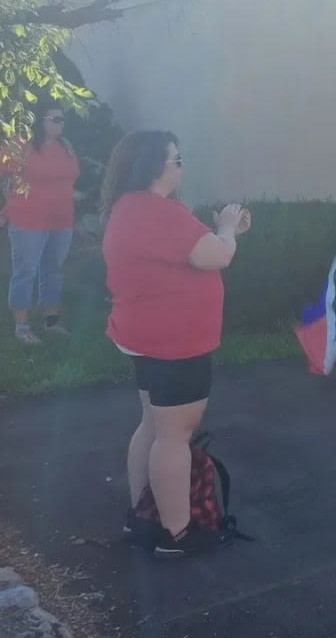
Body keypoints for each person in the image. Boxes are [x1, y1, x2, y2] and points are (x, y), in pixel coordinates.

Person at [102, 131, 250, 557]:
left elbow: (198, 251)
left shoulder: (133, 209)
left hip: (146, 335)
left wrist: (226, 232)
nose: (181, 165)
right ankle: (177, 533)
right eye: (176, 158)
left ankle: (143, 516)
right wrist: (226, 227)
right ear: (154, 167)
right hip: (174, 341)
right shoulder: (156, 211)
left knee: (153, 424)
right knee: (174, 435)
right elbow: (216, 255)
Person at [2, 100, 80, 344]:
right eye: (54, 119)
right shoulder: (20, 145)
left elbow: (69, 180)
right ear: (40, 121)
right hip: (28, 220)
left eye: (62, 119)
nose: (60, 124)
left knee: (53, 270)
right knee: (25, 272)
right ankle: (22, 327)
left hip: (61, 220)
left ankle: (51, 320)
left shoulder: (65, 146)